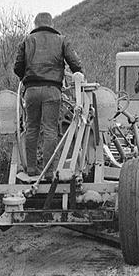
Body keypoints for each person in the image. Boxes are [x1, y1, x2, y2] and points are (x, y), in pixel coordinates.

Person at [13, 12, 83, 180]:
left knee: (32, 128)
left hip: (31, 91)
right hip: (53, 90)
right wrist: (78, 76)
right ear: (51, 24)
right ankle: (49, 171)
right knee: (50, 130)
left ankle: (31, 169)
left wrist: (28, 76)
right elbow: (75, 65)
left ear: (35, 25)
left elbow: (17, 68)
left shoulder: (27, 41)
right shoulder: (61, 40)